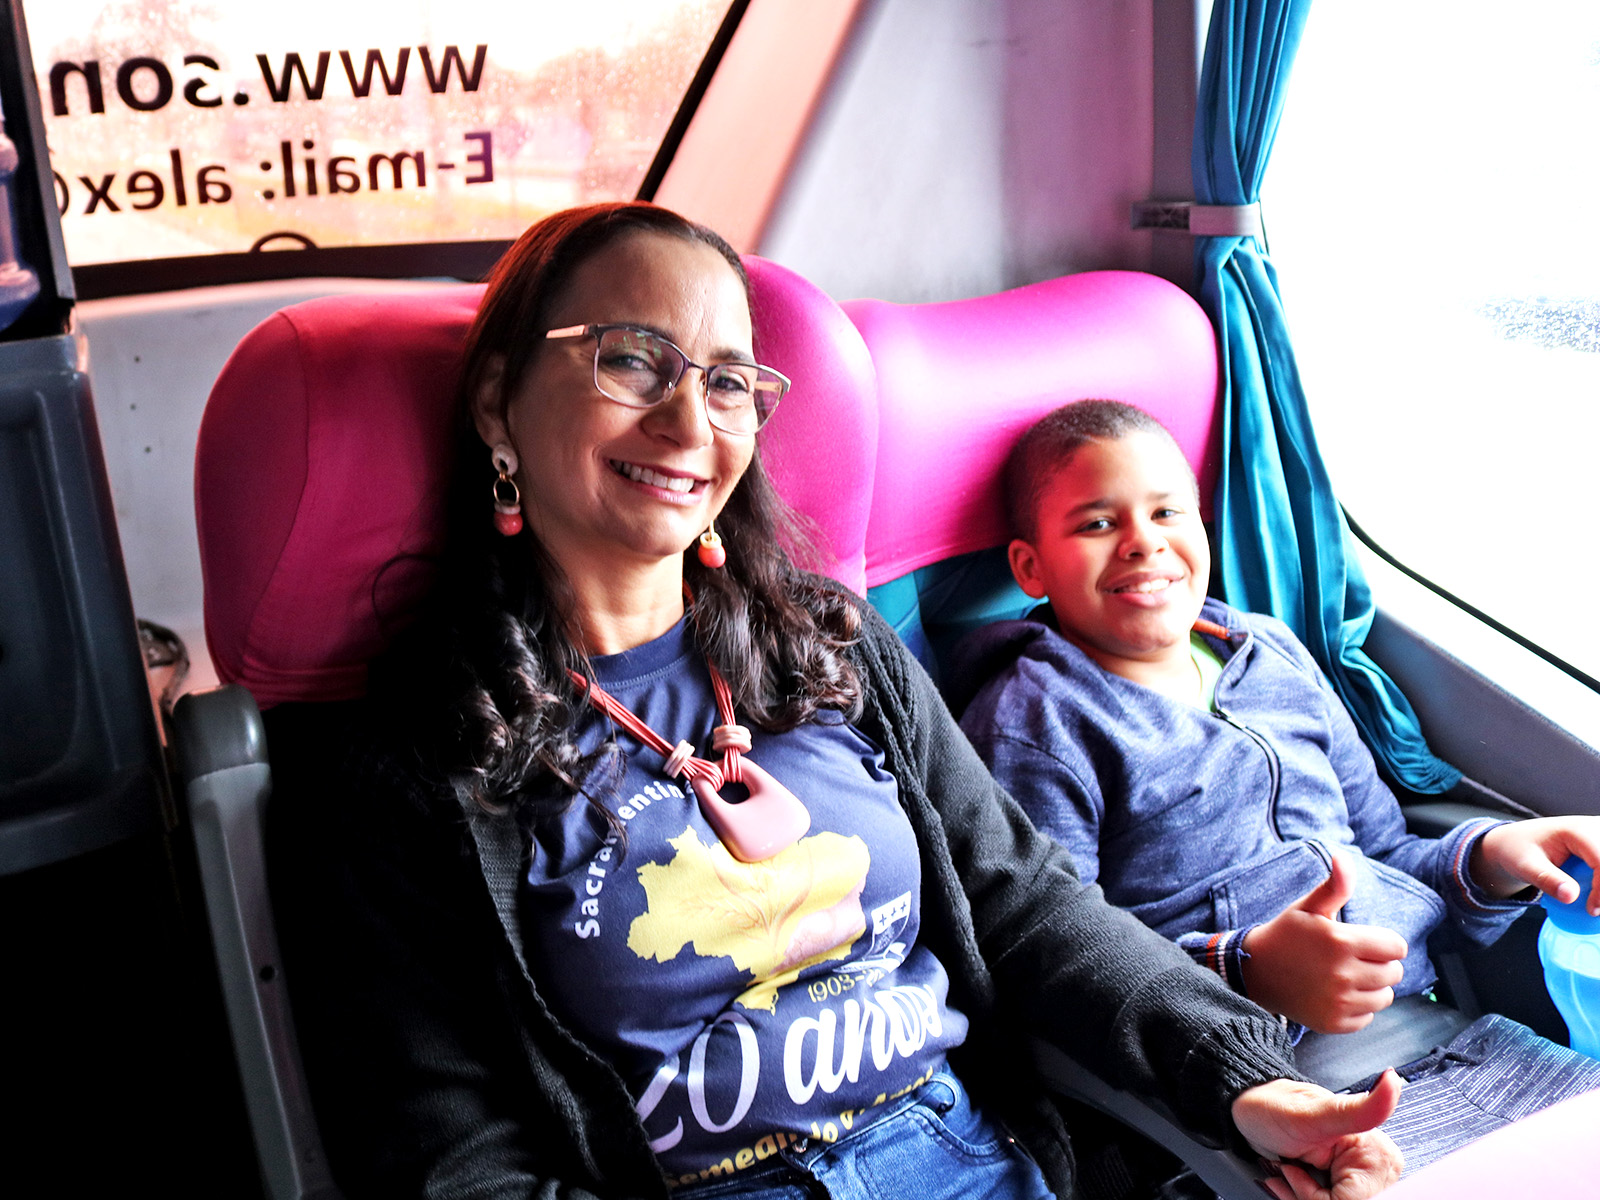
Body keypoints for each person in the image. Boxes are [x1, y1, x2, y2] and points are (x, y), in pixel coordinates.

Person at [264, 205, 1401, 1200]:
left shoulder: (830, 646)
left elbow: (1026, 903)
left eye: (726, 381)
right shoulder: (407, 759)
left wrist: (1246, 1082)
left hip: (975, 1157)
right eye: (632, 361)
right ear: (498, 404)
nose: (688, 423)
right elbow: (451, 1162)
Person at [954, 398, 1600, 1175]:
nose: (1143, 542)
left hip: (1456, 1046)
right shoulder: (1036, 723)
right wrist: (1246, 971)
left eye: (1167, 512)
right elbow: (1061, 968)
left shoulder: (1272, 654)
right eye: (1097, 523)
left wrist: (1494, 859)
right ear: (1031, 566)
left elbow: (1387, 853)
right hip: (1252, 1104)